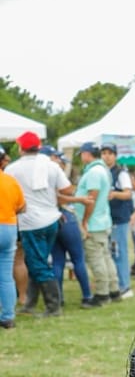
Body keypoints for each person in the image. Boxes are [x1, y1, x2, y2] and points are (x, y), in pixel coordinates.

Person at [6, 131, 75, 317]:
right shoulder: (51, 165)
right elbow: (67, 188)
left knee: (37, 264)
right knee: (36, 260)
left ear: (20, 148)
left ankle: (54, 307)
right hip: (52, 219)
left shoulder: (12, 169)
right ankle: (30, 303)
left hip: (30, 222)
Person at [43, 146, 99, 309]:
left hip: (52, 219)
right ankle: (87, 297)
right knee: (78, 259)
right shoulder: (53, 172)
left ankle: (59, 299)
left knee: (58, 261)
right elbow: (59, 197)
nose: (60, 162)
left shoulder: (38, 174)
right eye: (58, 158)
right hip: (66, 217)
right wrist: (79, 199)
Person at [74, 142, 118, 305]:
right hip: (102, 220)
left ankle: (102, 294)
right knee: (106, 256)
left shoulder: (93, 172)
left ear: (86, 154)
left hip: (93, 222)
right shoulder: (103, 170)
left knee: (96, 258)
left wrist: (84, 220)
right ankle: (113, 289)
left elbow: (91, 198)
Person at [100, 143, 134, 300]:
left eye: (110, 153)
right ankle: (113, 284)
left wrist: (113, 194)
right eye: (104, 153)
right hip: (107, 218)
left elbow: (128, 193)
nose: (106, 156)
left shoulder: (121, 173)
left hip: (119, 218)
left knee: (119, 252)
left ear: (115, 155)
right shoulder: (102, 171)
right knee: (109, 253)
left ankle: (124, 286)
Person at [0, 146, 26, 328]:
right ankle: (8, 317)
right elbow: (22, 207)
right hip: (9, 228)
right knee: (5, 275)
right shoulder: (10, 181)